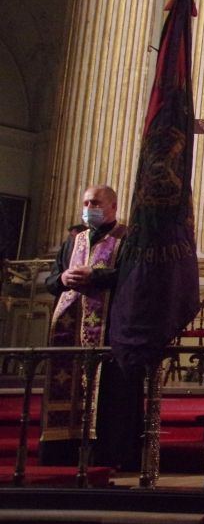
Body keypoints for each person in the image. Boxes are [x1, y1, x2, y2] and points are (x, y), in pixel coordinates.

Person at [40, 185, 143, 470]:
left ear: (113, 206)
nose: (88, 208)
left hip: (110, 329)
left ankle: (111, 455)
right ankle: (64, 454)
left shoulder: (127, 239)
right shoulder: (74, 242)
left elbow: (134, 278)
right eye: (85, 202)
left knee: (111, 395)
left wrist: (96, 276)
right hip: (70, 333)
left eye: (95, 202)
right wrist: (63, 278)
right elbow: (51, 280)